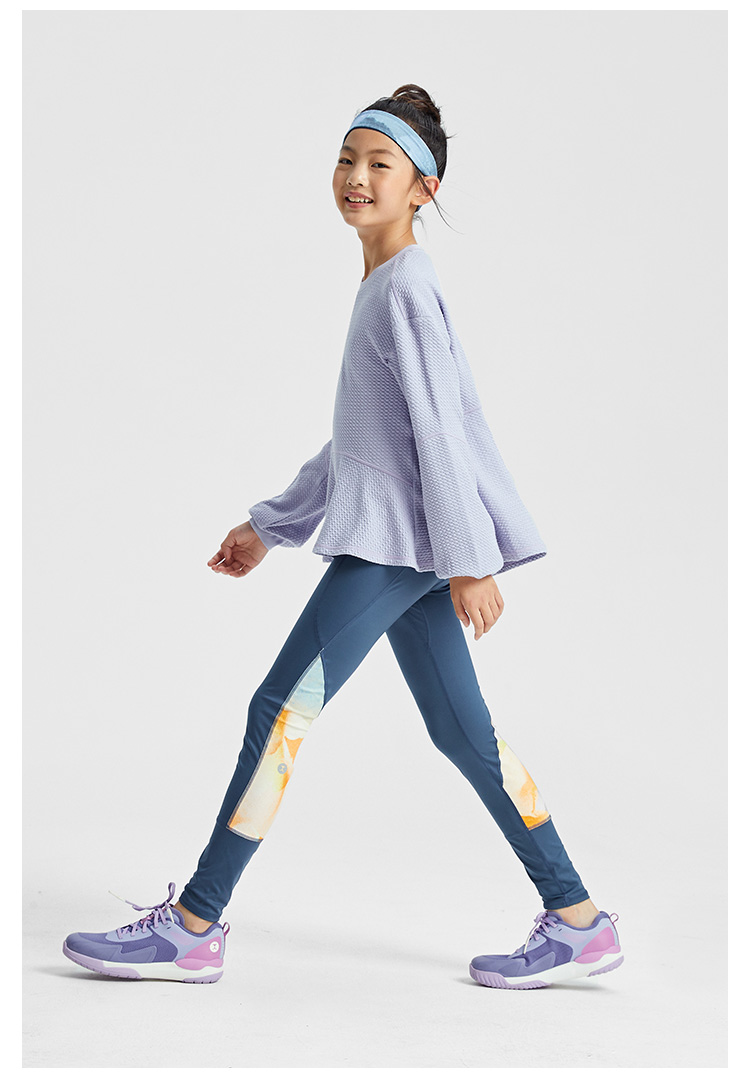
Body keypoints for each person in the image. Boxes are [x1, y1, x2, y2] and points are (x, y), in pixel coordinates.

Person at [63, 84, 623, 989]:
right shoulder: (383, 285)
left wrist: (471, 562)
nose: (357, 177)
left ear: (424, 189)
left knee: (278, 712)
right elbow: (364, 445)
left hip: (399, 549)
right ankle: (579, 921)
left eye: (380, 164)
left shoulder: (406, 288)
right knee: (463, 734)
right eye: (347, 159)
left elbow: (441, 432)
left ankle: (196, 925)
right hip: (409, 544)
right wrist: (270, 525)